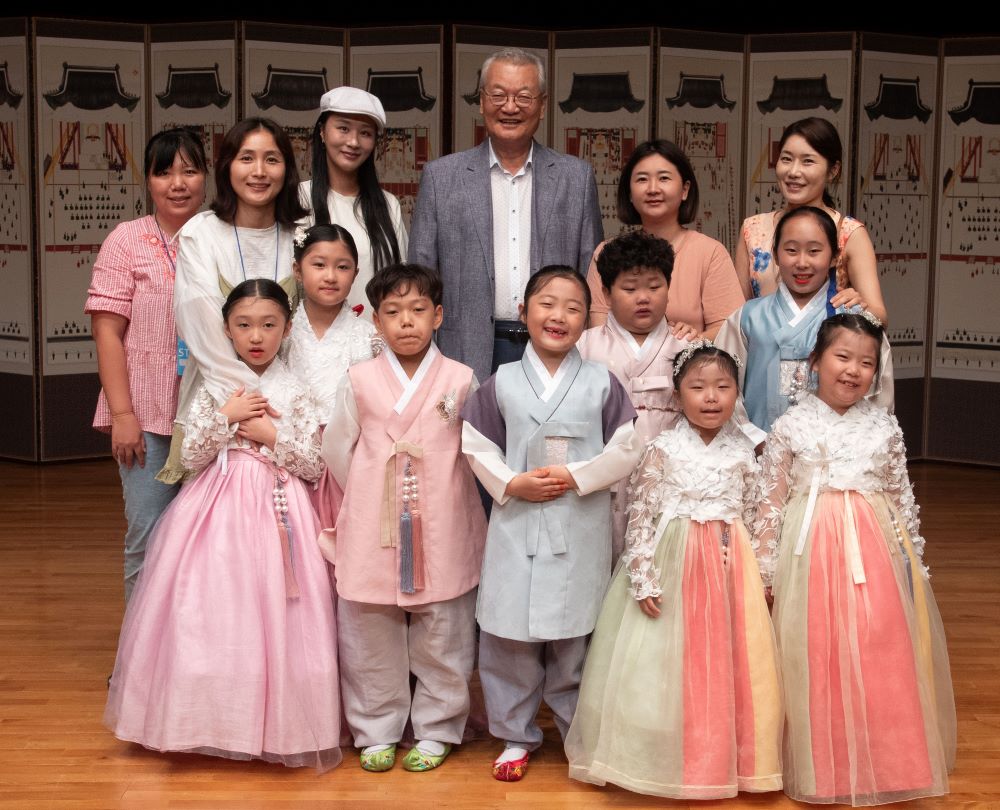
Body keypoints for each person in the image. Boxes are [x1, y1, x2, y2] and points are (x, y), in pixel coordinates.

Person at [105, 279, 341, 771]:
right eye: (244, 325)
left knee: (279, 611)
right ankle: (208, 718)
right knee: (213, 609)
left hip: (280, 509)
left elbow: (314, 465)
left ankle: (278, 723)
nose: (256, 336)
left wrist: (270, 435)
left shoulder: (296, 392)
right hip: (215, 508)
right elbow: (189, 456)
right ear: (227, 331)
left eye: (269, 325)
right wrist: (225, 417)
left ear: (286, 329)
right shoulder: (213, 385)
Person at [753, 313, 955, 804]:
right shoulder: (790, 425)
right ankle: (821, 766)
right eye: (842, 357)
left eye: (866, 363)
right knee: (814, 649)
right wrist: (765, 569)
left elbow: (901, 496)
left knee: (877, 645)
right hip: (809, 550)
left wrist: (912, 562)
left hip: (872, 549)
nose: (853, 370)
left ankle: (888, 761)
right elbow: (770, 502)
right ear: (815, 362)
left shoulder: (884, 427)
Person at [565, 342, 782, 799]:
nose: (711, 397)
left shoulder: (746, 452)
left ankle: (725, 757)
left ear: (736, 393)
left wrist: (759, 570)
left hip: (728, 564)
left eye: (723, 387)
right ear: (678, 395)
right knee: (665, 662)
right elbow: (641, 517)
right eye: (698, 387)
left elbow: (755, 513)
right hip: (673, 561)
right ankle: (662, 753)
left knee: (729, 662)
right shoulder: (661, 449)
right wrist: (643, 574)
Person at [461, 267, 642, 782]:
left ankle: (578, 733)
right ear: (523, 313)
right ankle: (515, 736)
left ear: (587, 320)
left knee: (575, 634)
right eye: (546, 303)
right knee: (509, 636)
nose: (558, 315)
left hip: (578, 521)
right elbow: (476, 444)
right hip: (517, 521)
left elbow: (626, 447)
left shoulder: (602, 383)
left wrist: (576, 476)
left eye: (573, 307)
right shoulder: (501, 383)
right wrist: (510, 483)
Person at [321, 264, 487, 773]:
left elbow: (477, 448)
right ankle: (376, 728)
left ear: (438, 316)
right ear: (376, 321)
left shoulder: (460, 378)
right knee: (370, 625)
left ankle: (438, 727)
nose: (406, 322)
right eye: (393, 312)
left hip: (444, 513)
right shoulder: (359, 379)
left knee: (444, 625)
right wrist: (373, 489)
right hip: (375, 514)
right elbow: (338, 449)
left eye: (418, 310)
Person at [408, 47, 603, 381]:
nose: (510, 107)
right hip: (462, 350)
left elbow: (592, 275)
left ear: (543, 105)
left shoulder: (576, 178)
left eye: (524, 97)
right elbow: (420, 275)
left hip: (556, 349)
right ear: (482, 101)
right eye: (498, 95)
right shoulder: (441, 177)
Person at [85, 128, 208, 602]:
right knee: (148, 538)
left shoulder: (220, 234)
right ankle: (139, 647)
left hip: (211, 415)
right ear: (149, 180)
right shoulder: (127, 239)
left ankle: (190, 645)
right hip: (147, 415)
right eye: (164, 172)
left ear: (206, 177)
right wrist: (122, 415)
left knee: (205, 544)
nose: (178, 184)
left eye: (190, 171)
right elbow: (107, 333)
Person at [160, 117, 306, 483]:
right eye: (247, 158)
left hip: (289, 412)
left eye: (271, 159)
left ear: (287, 168)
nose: (259, 171)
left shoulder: (302, 235)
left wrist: (282, 413)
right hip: (220, 404)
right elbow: (203, 333)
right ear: (227, 166)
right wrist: (252, 405)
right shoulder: (201, 234)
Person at [717, 206, 893, 435]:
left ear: (835, 257)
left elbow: (877, 399)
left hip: (834, 450)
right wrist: (755, 440)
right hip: (757, 449)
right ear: (775, 254)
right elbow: (720, 385)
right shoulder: (748, 317)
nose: (802, 262)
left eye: (814, 251)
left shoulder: (854, 320)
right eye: (791, 250)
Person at [576, 229, 690, 558]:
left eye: (654, 287)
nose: (643, 298)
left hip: (670, 482)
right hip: (603, 484)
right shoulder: (584, 348)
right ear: (606, 292)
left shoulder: (689, 348)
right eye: (629, 288)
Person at [734, 117, 887, 324]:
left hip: (824, 343)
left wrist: (858, 307)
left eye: (808, 161)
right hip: (762, 344)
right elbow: (736, 312)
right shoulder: (753, 228)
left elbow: (880, 316)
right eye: (786, 159)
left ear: (833, 170)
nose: (793, 172)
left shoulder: (849, 233)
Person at [587, 140, 745, 339]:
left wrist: (691, 342)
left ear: (685, 189)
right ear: (629, 192)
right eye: (642, 179)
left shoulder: (710, 252)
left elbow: (729, 329)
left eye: (664, 178)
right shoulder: (607, 253)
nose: (653, 189)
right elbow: (598, 331)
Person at [286, 224, 380, 548]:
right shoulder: (281, 332)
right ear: (298, 270)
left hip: (348, 458)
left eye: (342, 267)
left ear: (355, 274)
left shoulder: (369, 337)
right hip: (291, 453)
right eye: (319, 265)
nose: (330, 276)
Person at [300, 86, 408, 318]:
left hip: (376, 336)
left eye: (365, 133)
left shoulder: (388, 205)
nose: (353, 142)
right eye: (343, 128)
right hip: (312, 336)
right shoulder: (299, 198)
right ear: (322, 131)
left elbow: (400, 281)